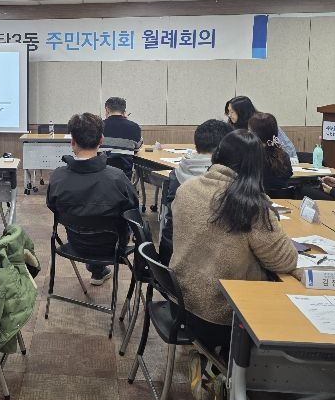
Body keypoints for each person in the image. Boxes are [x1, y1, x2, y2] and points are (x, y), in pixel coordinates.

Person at [170, 130, 298, 355]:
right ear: (256, 167)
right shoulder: (250, 205)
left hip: (181, 303)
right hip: (224, 315)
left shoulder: (187, 189)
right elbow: (285, 261)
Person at [46, 112, 139, 285]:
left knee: (87, 217)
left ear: (72, 142)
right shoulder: (117, 178)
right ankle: (98, 270)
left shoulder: (57, 177)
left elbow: (52, 206)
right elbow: (133, 209)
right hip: (112, 248)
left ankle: (97, 271)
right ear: (101, 140)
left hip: (76, 243)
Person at [159, 119, 232, 264]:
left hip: (172, 252)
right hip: (207, 260)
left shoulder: (176, 173)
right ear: (225, 147)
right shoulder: (226, 177)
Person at [225, 95, 297, 160]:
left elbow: (288, 149)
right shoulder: (232, 125)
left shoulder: (264, 122)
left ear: (242, 112)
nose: (229, 115)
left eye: (232, 112)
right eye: (228, 111)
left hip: (271, 163)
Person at [248, 112, 293, 191]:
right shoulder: (284, 155)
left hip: (257, 198)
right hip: (283, 197)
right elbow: (289, 175)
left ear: (255, 134)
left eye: (249, 130)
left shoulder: (251, 157)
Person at [102, 96, 142, 178]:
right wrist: (126, 120)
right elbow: (137, 148)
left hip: (101, 176)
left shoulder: (97, 126)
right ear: (124, 111)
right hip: (125, 177)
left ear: (107, 110)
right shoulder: (134, 127)